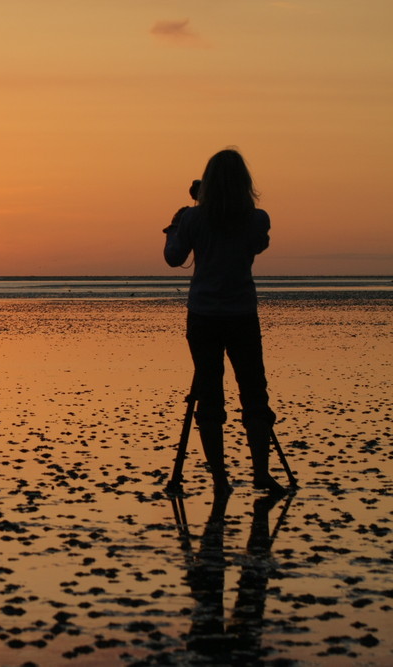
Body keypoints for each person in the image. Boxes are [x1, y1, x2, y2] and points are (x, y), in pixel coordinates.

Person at [163, 148, 285, 495]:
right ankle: (260, 473)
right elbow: (257, 246)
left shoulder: (192, 219)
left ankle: (221, 479)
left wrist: (176, 223)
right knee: (254, 394)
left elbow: (174, 258)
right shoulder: (256, 219)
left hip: (203, 317)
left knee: (209, 396)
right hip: (242, 315)